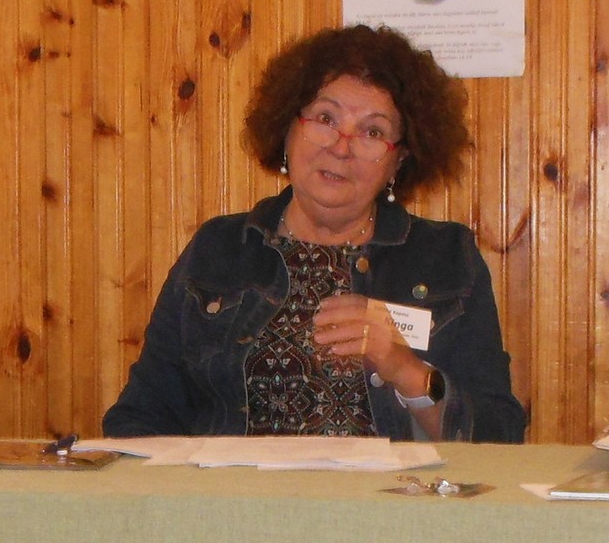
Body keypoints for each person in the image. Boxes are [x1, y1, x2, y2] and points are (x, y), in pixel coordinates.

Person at [103, 25, 526, 443]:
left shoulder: (446, 257)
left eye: (373, 132)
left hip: (390, 489)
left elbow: (499, 436)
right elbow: (141, 416)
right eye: (325, 118)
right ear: (287, 129)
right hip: (235, 488)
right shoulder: (219, 249)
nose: (341, 147)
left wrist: (403, 368)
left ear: (398, 163)